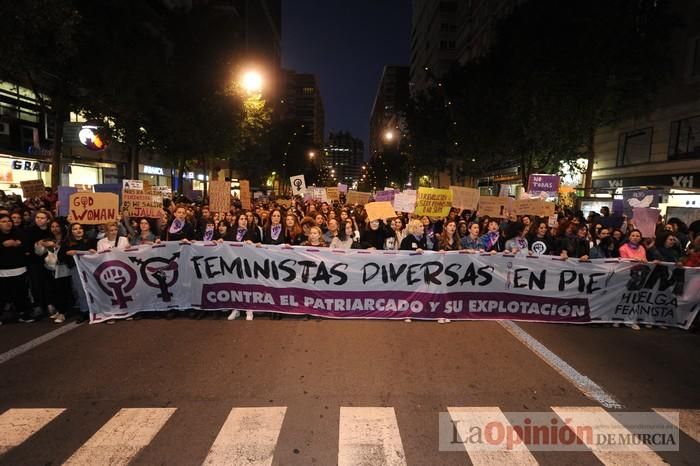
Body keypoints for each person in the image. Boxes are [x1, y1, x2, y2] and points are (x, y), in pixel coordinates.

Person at [58, 223, 97, 323]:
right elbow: (60, 257)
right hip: (76, 269)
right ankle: (84, 311)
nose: (78, 230)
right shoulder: (67, 243)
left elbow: (99, 254)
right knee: (80, 290)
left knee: (93, 288)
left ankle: (97, 309)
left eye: (80, 228)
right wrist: (67, 253)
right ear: (71, 231)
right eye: (75, 229)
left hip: (90, 269)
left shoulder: (90, 241)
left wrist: (94, 251)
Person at [0, 213, 33, 324]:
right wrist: (3, 245)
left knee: (21, 294)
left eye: (8, 221)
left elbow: (27, 249)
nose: (7, 223)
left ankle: (23, 314)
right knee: (2, 295)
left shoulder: (19, 234)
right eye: (3, 221)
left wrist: (18, 245)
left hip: (19, 269)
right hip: (2, 271)